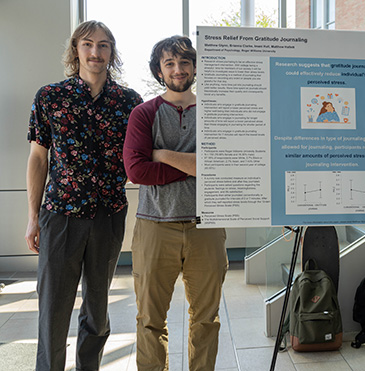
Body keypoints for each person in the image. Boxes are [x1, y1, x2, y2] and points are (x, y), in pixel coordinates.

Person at [25, 20, 142, 370]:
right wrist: (33, 216)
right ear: (75, 49)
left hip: (108, 215)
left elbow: (140, 156)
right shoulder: (50, 97)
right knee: (53, 307)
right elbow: (38, 157)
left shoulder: (129, 102)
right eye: (88, 44)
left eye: (104, 45)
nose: (96, 52)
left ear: (112, 52)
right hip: (60, 215)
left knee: (97, 307)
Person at [123, 35, 229, 371]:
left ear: (195, 67)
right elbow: (137, 169)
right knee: (150, 320)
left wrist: (164, 155)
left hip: (206, 228)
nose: (178, 69)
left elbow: (218, 167)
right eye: (169, 63)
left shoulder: (215, 111)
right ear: (159, 70)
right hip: (155, 227)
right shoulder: (144, 113)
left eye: (184, 62)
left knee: (206, 319)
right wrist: (194, 167)